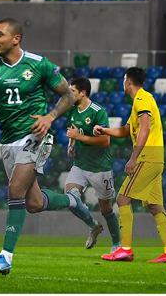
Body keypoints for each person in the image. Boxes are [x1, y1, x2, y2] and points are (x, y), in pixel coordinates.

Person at [0, 18, 75, 275]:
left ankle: (5, 256)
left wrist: (49, 118)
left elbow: (68, 95)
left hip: (35, 136)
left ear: (15, 38)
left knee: (15, 189)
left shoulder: (39, 64)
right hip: (8, 139)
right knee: (34, 203)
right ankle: (73, 202)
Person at [94, 67, 166, 263]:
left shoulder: (141, 99)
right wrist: (104, 130)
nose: (123, 83)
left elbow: (145, 128)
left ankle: (125, 249)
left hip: (147, 156)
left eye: (124, 80)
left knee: (122, 199)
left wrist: (133, 158)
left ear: (128, 81)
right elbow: (126, 130)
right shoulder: (140, 101)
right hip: (157, 157)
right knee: (155, 206)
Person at [64, 78, 121, 252]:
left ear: (83, 93)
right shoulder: (72, 111)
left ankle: (117, 244)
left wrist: (78, 137)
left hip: (100, 168)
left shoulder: (98, 112)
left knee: (106, 209)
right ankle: (94, 225)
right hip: (80, 164)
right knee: (70, 198)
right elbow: (73, 131)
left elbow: (105, 141)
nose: (69, 94)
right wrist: (71, 145)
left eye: (72, 91)